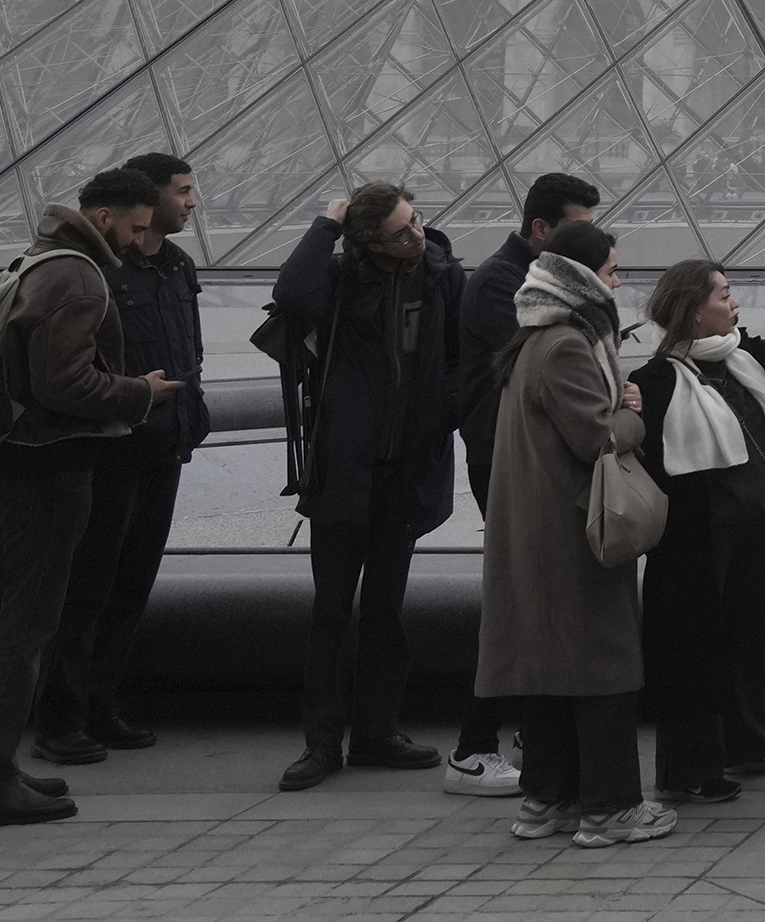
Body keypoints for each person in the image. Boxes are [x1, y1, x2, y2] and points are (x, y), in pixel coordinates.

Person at [0, 172, 178, 827]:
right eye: (135, 227)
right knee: (24, 627)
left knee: (1, 619)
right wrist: (138, 393)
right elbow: (62, 381)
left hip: (15, 461)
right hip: (49, 468)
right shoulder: (76, 274)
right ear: (103, 217)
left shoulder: (36, 259)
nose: (139, 241)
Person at [476, 219, 668, 848]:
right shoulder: (565, 345)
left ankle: (547, 801)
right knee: (602, 670)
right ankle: (610, 809)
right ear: (584, 280)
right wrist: (633, 416)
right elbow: (599, 437)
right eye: (612, 272)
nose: (619, 283)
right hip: (574, 532)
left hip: (539, 532)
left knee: (548, 673)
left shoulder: (534, 340)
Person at [271, 180, 463, 790]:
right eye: (401, 231)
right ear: (366, 240)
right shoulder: (340, 277)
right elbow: (290, 293)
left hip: (406, 469)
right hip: (343, 469)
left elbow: (460, 358)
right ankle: (322, 743)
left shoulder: (442, 275)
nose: (417, 236)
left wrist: (442, 422)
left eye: (418, 222)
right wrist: (326, 223)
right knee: (332, 611)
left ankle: (377, 732)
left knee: (385, 609)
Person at [31, 151, 205, 767]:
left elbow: (189, 352)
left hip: (164, 446)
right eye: (182, 191)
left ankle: (101, 705)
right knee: (89, 588)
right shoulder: (100, 270)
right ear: (147, 198)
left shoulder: (178, 266)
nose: (190, 202)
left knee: (131, 586)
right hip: (111, 448)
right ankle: (61, 718)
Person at [635, 257, 765, 805]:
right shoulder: (656, 379)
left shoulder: (738, 357)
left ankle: (750, 739)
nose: (733, 302)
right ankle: (691, 767)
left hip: (752, 526)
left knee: (747, 636)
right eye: (723, 295)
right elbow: (650, 460)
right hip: (696, 539)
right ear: (693, 314)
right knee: (694, 649)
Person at [448, 170, 601, 797]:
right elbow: (554, 360)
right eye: (580, 230)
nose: (593, 246)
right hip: (508, 460)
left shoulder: (524, 278)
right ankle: (473, 747)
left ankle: (531, 737)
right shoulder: (502, 286)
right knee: (519, 598)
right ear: (541, 229)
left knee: (535, 596)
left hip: (527, 453)